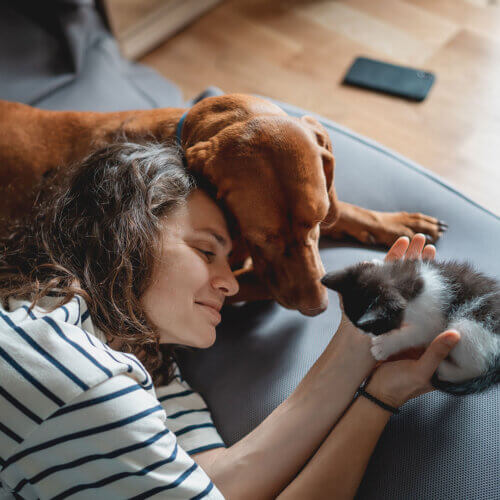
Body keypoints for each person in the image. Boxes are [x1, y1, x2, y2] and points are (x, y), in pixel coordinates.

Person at [0, 140, 460, 499]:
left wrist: (364, 361)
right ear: (124, 234)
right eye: (205, 251)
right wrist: (376, 402)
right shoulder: (76, 372)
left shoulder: (148, 361)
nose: (233, 284)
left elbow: (222, 483)